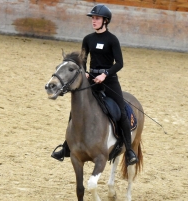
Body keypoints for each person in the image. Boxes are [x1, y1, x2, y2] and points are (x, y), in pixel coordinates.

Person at [51, 4, 138, 165]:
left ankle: (129, 151)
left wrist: (105, 75)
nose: (94, 21)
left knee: (121, 113)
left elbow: (119, 63)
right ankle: (66, 147)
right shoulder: (88, 39)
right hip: (91, 80)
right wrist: (84, 72)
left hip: (109, 81)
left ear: (105, 21)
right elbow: (82, 61)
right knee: (76, 111)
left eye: (97, 18)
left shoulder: (112, 40)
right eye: (93, 18)